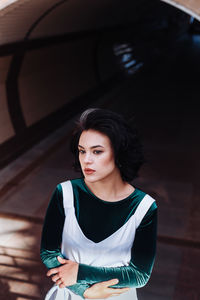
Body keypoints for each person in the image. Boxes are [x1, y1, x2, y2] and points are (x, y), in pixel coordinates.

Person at [40, 108, 157, 300]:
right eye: (82, 151)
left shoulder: (144, 207)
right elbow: (48, 252)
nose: (86, 160)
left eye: (97, 151)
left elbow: (140, 275)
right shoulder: (65, 193)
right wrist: (84, 291)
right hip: (69, 295)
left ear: (119, 153)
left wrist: (79, 272)